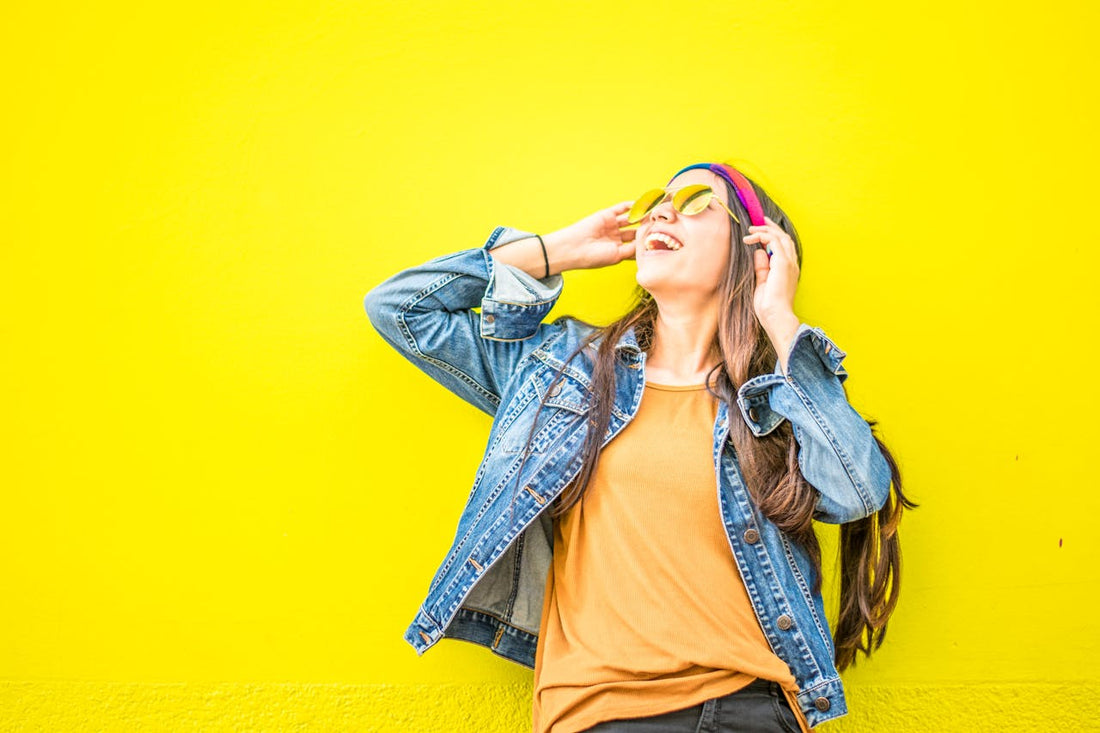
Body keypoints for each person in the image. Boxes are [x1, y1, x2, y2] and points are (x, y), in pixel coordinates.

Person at [363, 161, 916, 733]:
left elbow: (858, 492)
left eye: (698, 200)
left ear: (757, 250)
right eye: (657, 201)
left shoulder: (776, 399)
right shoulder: (561, 369)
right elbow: (400, 309)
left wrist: (779, 318)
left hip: (757, 706)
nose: (661, 210)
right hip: (600, 713)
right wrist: (557, 251)